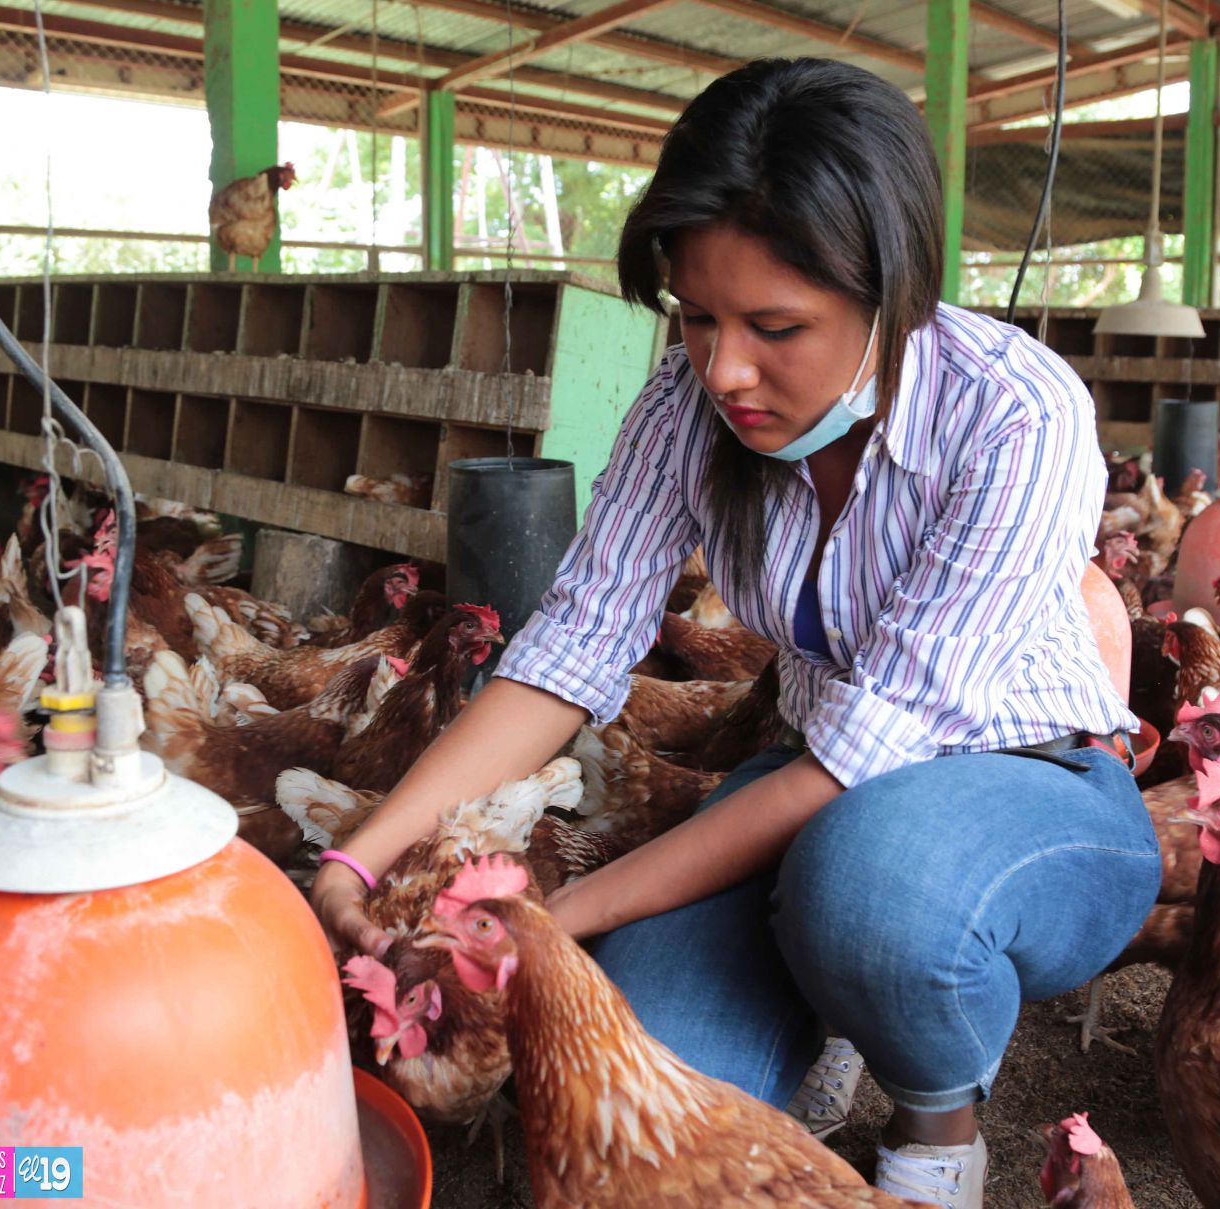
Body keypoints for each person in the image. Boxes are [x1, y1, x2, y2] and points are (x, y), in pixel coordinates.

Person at [312, 56, 1160, 1209]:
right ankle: (839, 996)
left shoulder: (1016, 414)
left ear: (890, 293)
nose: (726, 369)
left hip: (1031, 793)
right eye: (696, 318)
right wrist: (359, 857)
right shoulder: (684, 407)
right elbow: (570, 651)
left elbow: (860, 764)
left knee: (875, 891)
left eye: (776, 325)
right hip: (808, 786)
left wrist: (548, 931)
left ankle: (936, 1117)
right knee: (649, 1095)